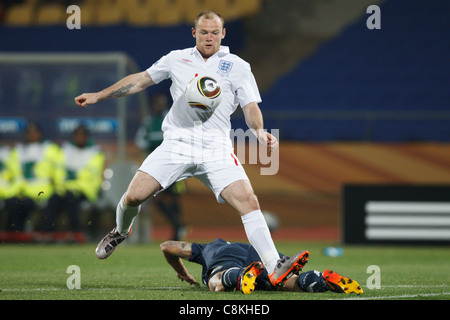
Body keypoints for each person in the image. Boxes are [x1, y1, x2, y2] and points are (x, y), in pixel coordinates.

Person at [74, 10, 301, 286]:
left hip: (215, 148)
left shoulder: (238, 66)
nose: (209, 37)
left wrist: (259, 131)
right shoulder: (176, 59)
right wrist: (99, 95)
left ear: (223, 34)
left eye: (214, 33)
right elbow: (141, 79)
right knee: (133, 197)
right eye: (204, 32)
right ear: (194, 33)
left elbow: (250, 106)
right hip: (177, 144)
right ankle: (121, 231)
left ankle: (274, 264)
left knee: (249, 201)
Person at [160, 238, 363, 295]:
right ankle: (320, 280)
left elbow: (167, 247)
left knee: (215, 281)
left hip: (224, 257)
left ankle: (240, 276)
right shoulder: (242, 244)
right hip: (255, 251)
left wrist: (183, 273)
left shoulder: (208, 248)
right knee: (283, 282)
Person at [135, 93, 186, 241]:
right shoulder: (149, 121)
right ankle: (177, 224)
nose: (160, 106)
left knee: (175, 197)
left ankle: (177, 230)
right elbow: (140, 141)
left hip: (174, 164)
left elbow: (177, 138)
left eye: (162, 103)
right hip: (156, 167)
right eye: (157, 103)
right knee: (157, 198)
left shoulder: (171, 120)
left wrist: (155, 141)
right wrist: (157, 142)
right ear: (153, 105)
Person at [41, 125, 105, 242]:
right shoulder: (65, 150)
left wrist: (74, 184)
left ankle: (76, 233)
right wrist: (63, 186)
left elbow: (92, 176)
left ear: (87, 137)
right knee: (54, 199)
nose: (80, 138)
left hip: (84, 190)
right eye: (78, 136)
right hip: (65, 188)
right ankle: (48, 234)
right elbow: (58, 171)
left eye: (82, 136)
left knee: (71, 199)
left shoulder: (95, 153)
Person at [4, 122, 60, 232]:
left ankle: (36, 234)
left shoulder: (50, 149)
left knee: (27, 204)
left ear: (40, 134)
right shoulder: (18, 150)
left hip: (41, 191)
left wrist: (58, 187)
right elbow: (9, 171)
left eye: (34, 132)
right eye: (29, 133)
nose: (32, 135)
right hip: (19, 190)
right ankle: (15, 234)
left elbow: (57, 170)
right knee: (12, 203)